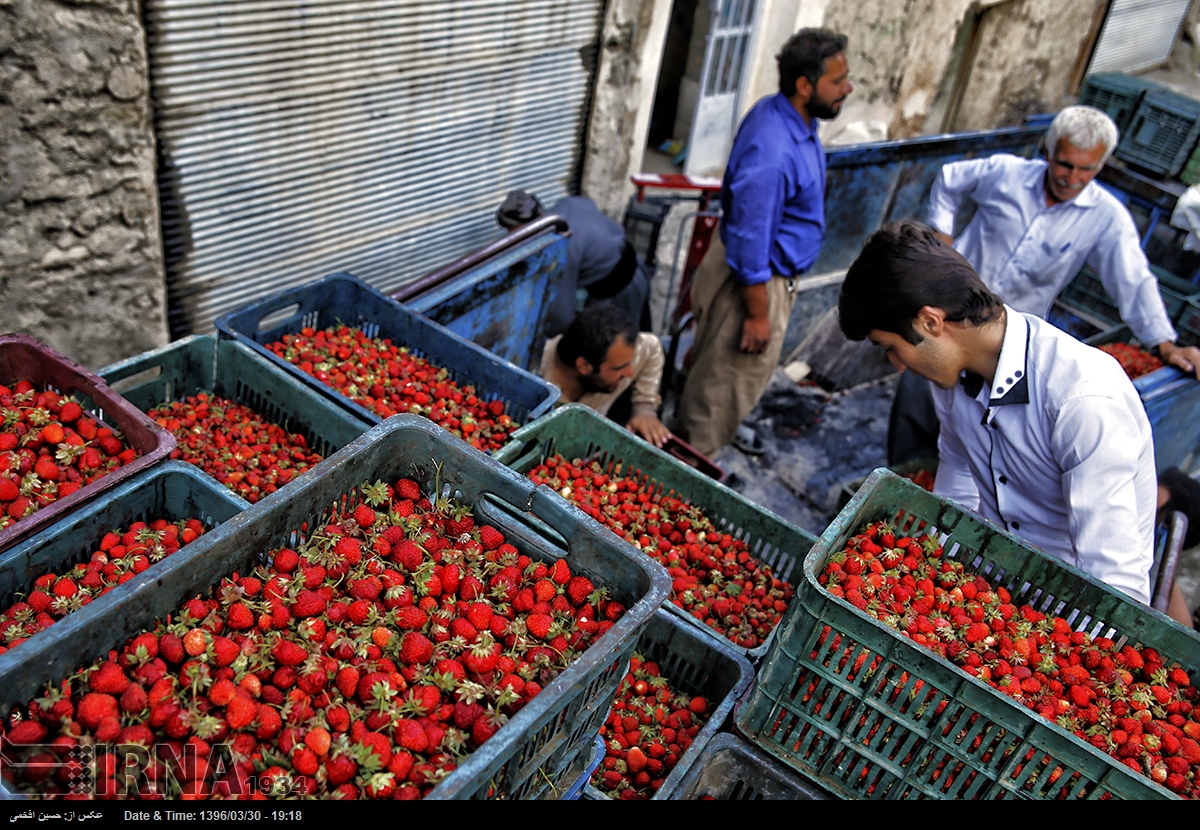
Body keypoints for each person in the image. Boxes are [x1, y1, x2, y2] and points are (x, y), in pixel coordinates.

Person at [840, 221, 1157, 604]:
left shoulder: (1080, 400)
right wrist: (936, 567)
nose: (898, 365)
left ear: (930, 321)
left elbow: (1115, 581)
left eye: (889, 346)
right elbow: (958, 470)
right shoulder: (952, 381)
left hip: (1070, 608)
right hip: (995, 588)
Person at [889, 105, 1200, 464]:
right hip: (945, 312)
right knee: (917, 401)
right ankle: (902, 474)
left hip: (1006, 340)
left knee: (977, 428)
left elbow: (1133, 278)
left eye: (1088, 169)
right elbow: (951, 178)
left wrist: (1165, 344)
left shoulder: (1105, 217)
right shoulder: (1006, 175)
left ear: (1101, 166)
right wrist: (941, 234)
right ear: (1049, 153)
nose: (1073, 177)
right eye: (1065, 164)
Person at [673, 28, 852, 457]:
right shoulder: (772, 147)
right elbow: (752, 239)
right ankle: (689, 466)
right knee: (721, 390)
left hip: (763, 273)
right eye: (838, 80)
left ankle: (705, 436)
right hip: (754, 282)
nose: (848, 88)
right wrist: (757, 315)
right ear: (804, 85)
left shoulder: (795, 121)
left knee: (722, 377)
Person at [496, 191, 651, 337]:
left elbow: (561, 317)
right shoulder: (567, 205)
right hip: (633, 264)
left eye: (518, 234)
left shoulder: (560, 245)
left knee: (617, 344)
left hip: (621, 287)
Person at [539, 303, 671, 447]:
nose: (629, 373)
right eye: (619, 368)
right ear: (584, 366)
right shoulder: (538, 377)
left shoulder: (619, 355)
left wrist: (644, 407)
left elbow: (653, 347)